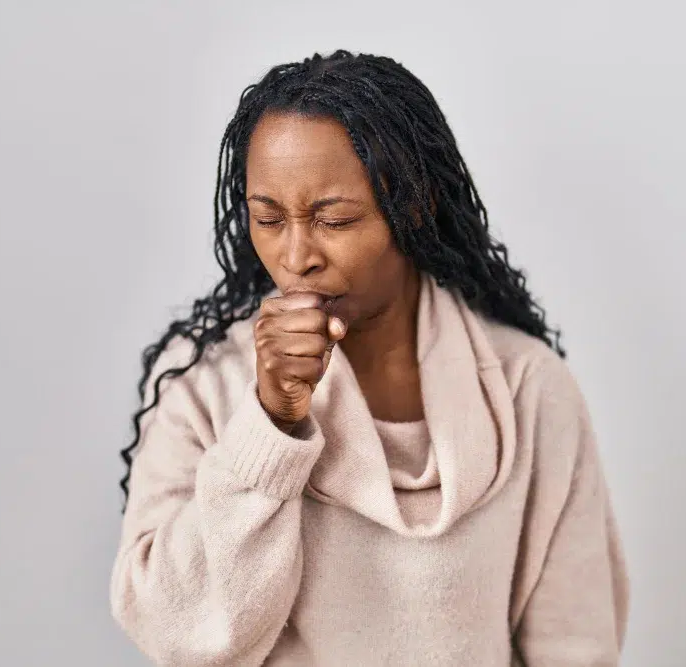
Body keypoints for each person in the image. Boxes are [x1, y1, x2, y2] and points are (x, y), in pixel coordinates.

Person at [109, 50, 629, 666]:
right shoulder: (202, 385)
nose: (296, 256)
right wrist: (269, 423)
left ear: (414, 207)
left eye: (333, 220)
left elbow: (576, 642)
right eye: (268, 218)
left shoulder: (526, 388)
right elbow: (173, 631)